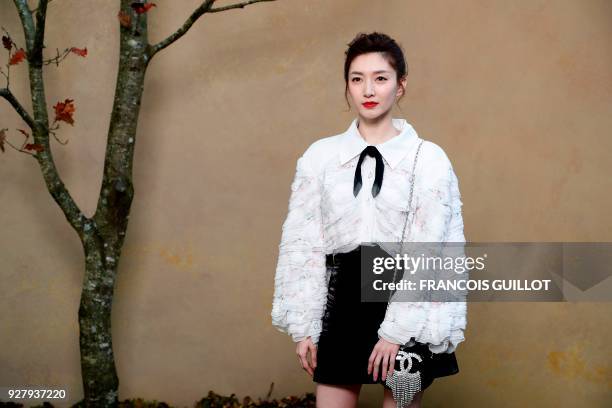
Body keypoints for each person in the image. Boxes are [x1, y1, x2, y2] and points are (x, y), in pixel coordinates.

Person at [271, 32, 467, 408]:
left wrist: (396, 333)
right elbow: (303, 243)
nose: (368, 89)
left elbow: (430, 253)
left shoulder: (428, 159)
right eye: (357, 79)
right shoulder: (320, 156)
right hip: (342, 304)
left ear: (401, 85)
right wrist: (306, 325)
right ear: (347, 85)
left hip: (411, 307)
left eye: (380, 78)